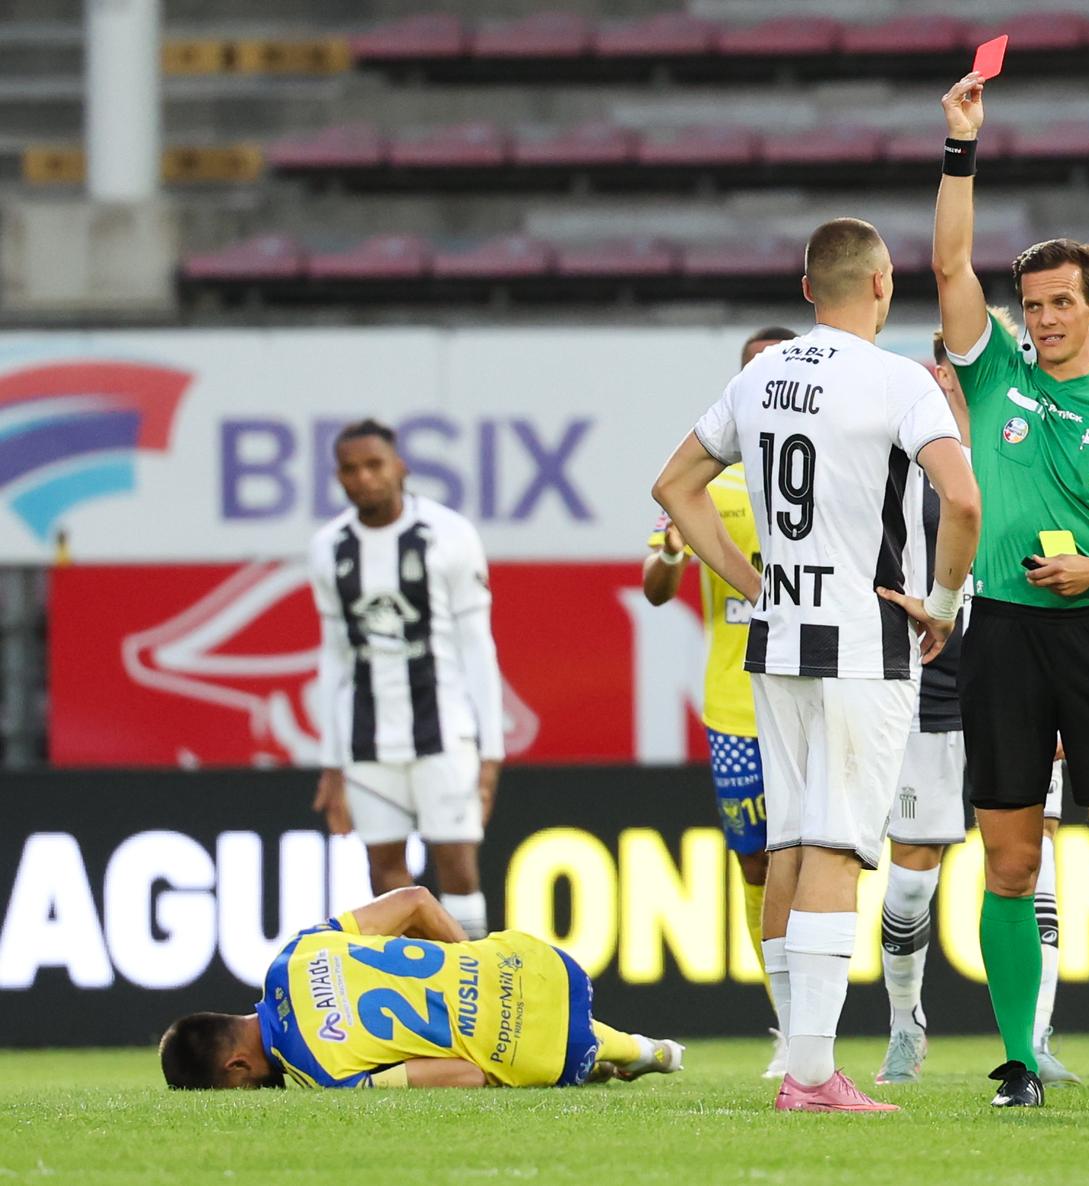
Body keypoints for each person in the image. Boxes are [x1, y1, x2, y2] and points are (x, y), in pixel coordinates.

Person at [652, 217, 981, 1113]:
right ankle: (810, 1076)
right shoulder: (897, 381)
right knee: (838, 845)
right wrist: (944, 605)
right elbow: (963, 497)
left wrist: (748, 579)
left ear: (807, 290)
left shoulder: (760, 374)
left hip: (775, 642)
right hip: (859, 641)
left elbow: (674, 486)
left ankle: (802, 1058)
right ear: (883, 285)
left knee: (795, 841)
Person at [933, 72, 1089, 1110]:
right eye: (1030, 305)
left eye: (1058, 305)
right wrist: (961, 148)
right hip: (998, 633)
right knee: (1007, 855)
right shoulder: (993, 372)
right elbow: (950, 259)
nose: (1041, 320)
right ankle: (1017, 1060)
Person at [873, 324, 1079, 1088]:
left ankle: (1035, 1035)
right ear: (942, 367)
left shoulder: (1034, 444)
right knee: (914, 872)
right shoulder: (905, 451)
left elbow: (1063, 557)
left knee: (1038, 856)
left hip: (1020, 674)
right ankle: (905, 1026)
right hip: (926, 682)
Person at [643, 325, 798, 1079]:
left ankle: (826, 1019)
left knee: (823, 856)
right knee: (758, 867)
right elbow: (657, 588)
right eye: (754, 370)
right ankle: (789, 1024)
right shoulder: (707, 481)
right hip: (736, 706)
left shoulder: (828, 472)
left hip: (812, 694)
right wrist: (672, 553)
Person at [157, 887, 684, 1089]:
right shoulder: (292, 957)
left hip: (530, 1049)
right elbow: (416, 901)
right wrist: (471, 962)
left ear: (235, 1067)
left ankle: (632, 1051)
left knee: (516, 1052)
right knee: (534, 1011)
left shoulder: (322, 1078)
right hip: (536, 961)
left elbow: (468, 1074)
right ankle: (632, 1049)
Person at [309, 419, 505, 940]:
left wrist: (491, 750)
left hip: (444, 732)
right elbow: (334, 655)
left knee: (458, 866)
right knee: (385, 878)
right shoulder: (329, 548)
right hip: (368, 738)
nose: (364, 478)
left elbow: (477, 645)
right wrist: (330, 763)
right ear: (339, 478)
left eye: (374, 465)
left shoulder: (450, 535)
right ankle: (418, 991)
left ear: (400, 467)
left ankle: (475, 993)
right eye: (351, 470)